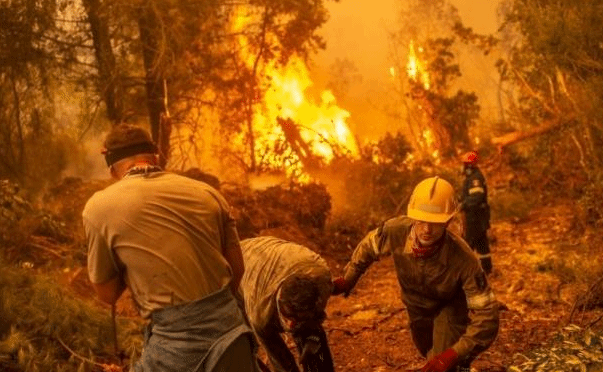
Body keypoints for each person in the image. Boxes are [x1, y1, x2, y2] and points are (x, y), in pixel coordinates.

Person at [82, 124, 259, 372]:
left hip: (174, 348)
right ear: (156, 156)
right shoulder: (208, 193)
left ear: (111, 167)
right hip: (232, 334)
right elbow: (237, 271)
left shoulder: (99, 208)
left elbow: (108, 294)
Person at [332, 176, 499, 372]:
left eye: (435, 223)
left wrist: (454, 354)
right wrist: (348, 279)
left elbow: (487, 316)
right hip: (416, 307)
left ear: (448, 221)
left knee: (444, 359)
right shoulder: (395, 231)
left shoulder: (464, 259)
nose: (427, 229)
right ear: (412, 217)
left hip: (449, 307)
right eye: (421, 221)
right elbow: (368, 247)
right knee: (427, 352)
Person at [239, 236, 335, 372]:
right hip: (236, 263)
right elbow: (278, 357)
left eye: (297, 319)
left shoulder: (322, 280)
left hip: (280, 257)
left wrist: (312, 338)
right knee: (241, 344)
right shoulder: (260, 314)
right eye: (288, 318)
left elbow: (315, 319)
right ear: (279, 302)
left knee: (312, 339)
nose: (290, 325)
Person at [460, 151, 492, 274]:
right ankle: (487, 268)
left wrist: (464, 204)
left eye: (464, 164)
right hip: (478, 216)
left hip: (475, 217)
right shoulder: (472, 177)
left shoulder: (475, 179)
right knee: (481, 243)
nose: (462, 166)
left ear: (468, 165)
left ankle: (464, 271)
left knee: (468, 243)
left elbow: (476, 197)